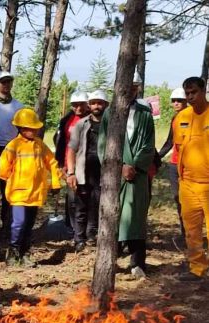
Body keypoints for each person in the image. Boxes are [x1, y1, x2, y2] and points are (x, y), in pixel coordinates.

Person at [99, 72, 155, 279]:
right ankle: (110, 261)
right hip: (115, 175)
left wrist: (134, 166)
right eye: (127, 85)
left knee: (136, 217)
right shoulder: (109, 113)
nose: (130, 89)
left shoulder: (144, 113)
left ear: (138, 88)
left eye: (134, 86)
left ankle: (137, 262)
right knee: (112, 216)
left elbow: (149, 145)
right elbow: (103, 145)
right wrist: (119, 166)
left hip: (137, 175)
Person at [0, 108, 61, 267]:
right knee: (18, 223)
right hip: (19, 193)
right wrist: (8, 183)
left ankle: (25, 253)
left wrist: (55, 183)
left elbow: (52, 163)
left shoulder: (40, 145)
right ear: (20, 128)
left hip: (36, 193)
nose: (33, 130)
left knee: (28, 225)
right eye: (29, 127)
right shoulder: (14, 145)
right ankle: (13, 252)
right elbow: (4, 170)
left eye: (34, 127)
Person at [173, 77, 209, 282]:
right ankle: (197, 268)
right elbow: (178, 147)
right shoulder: (182, 117)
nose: (190, 97)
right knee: (191, 231)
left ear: (204, 90)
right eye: (187, 93)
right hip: (187, 184)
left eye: (194, 92)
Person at [66, 90, 108, 252]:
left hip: (104, 173)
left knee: (98, 205)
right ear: (88, 105)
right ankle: (79, 239)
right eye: (93, 103)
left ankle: (92, 235)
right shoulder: (81, 124)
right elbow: (72, 149)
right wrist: (71, 173)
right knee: (81, 206)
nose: (96, 106)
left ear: (106, 105)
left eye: (100, 103)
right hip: (83, 171)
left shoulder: (112, 124)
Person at [0, 71, 24, 237]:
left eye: (8, 82)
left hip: (11, 150)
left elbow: (22, 129)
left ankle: (7, 224)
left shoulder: (18, 106)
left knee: (8, 189)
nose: (5, 85)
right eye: (2, 82)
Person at [55, 91, 90, 238]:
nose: (78, 108)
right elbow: (59, 141)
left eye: (81, 105)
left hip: (88, 163)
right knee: (72, 198)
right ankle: (72, 228)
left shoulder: (93, 119)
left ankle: (88, 229)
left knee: (88, 197)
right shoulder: (66, 120)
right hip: (69, 164)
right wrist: (60, 163)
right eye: (75, 105)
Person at [158, 87, 188, 239]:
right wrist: (157, 156)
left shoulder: (193, 117)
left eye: (179, 101)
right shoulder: (174, 119)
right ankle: (185, 232)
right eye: (174, 101)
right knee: (178, 198)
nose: (176, 103)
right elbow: (170, 141)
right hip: (174, 164)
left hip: (189, 166)